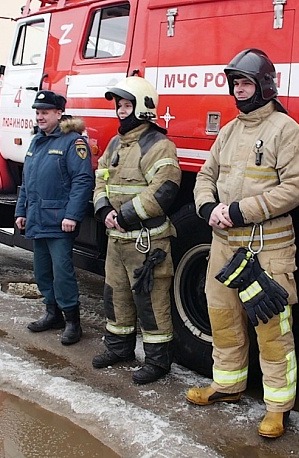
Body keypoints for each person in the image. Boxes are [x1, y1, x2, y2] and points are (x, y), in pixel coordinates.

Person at [186, 48, 299, 438]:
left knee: (271, 331)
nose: (239, 90)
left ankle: (277, 408)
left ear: (265, 85)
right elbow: (205, 176)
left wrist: (239, 211)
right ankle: (227, 385)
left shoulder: (288, 131)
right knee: (222, 320)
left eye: (246, 82)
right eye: (235, 82)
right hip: (223, 247)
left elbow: (294, 189)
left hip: (266, 251)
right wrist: (207, 207)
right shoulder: (229, 130)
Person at [91, 76, 181, 385]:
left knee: (151, 303)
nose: (120, 111)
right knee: (115, 296)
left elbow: (165, 189)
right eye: (118, 105)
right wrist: (104, 210)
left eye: (126, 105)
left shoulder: (159, 144)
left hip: (147, 243)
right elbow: (101, 177)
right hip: (117, 240)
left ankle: (158, 362)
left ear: (143, 108)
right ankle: (119, 349)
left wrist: (125, 216)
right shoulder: (116, 142)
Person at [15, 90, 94, 346]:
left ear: (59, 114)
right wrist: (20, 211)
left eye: (45, 112)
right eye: (37, 112)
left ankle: (72, 321)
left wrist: (72, 215)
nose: (40, 117)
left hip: (60, 221)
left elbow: (82, 181)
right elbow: (27, 181)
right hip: (38, 217)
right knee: (42, 271)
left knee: (62, 273)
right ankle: (52, 313)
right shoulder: (37, 141)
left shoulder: (73, 142)